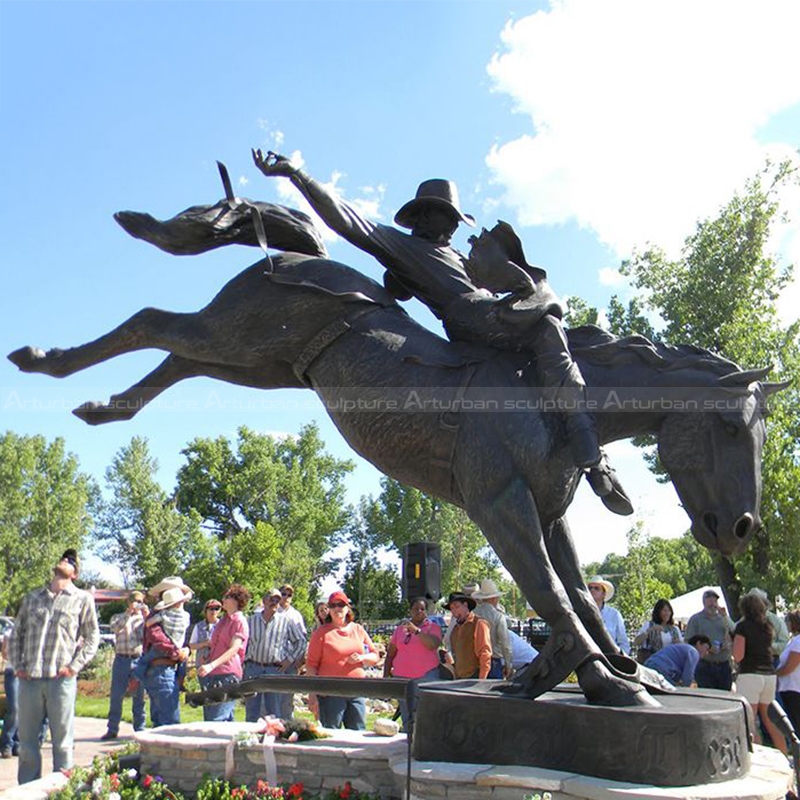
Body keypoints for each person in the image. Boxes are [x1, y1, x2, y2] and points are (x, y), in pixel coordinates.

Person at [251, 150, 631, 515]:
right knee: (547, 324)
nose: (452, 225)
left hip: (491, 316)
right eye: (446, 216)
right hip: (471, 317)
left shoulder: (457, 256)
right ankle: (589, 452)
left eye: (455, 218)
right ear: (424, 217)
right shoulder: (403, 245)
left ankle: (582, 445)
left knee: (565, 348)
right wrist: (296, 175)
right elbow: (346, 219)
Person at [8, 549, 99, 784]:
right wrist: (18, 666)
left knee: (62, 744)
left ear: (75, 573)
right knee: (27, 745)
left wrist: (73, 667)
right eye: (63, 558)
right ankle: (28, 790)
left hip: (61, 680)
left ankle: (62, 790)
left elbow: (92, 638)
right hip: (30, 680)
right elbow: (16, 635)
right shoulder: (32, 598)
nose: (64, 561)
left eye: (70, 562)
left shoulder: (82, 599)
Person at [305, 591, 379, 730]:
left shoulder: (358, 629)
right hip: (331, 692)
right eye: (333, 606)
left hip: (356, 690)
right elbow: (311, 665)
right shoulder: (321, 633)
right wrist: (312, 694)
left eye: (341, 605)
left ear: (347, 608)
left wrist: (362, 657)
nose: (337, 608)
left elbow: (375, 656)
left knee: (358, 733)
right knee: (332, 732)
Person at [733, 592, 787, 754]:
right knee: (770, 720)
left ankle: (754, 758)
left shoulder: (742, 627)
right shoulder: (767, 626)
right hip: (769, 675)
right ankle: (785, 757)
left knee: (750, 720)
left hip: (750, 674)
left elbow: (738, 655)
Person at [244, 588, 306, 721]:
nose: (275, 602)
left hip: (274, 669)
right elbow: (242, 643)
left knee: (274, 712)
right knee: (252, 711)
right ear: (264, 601)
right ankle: (250, 739)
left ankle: (273, 739)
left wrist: (289, 660)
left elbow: (300, 642)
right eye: (272, 599)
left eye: (278, 600)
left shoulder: (286, 621)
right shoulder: (250, 620)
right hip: (253, 668)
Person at [383, 597, 443, 731]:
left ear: (427, 612)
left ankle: (423, 745)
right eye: (415, 609)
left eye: (422, 609)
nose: (419, 612)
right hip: (402, 678)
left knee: (426, 713)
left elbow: (433, 644)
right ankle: (406, 744)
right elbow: (391, 653)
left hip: (426, 677)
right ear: (410, 611)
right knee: (406, 714)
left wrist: (417, 631)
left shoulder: (433, 628)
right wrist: (386, 674)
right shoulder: (400, 630)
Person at [137, 586, 191, 727]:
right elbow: (158, 638)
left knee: (161, 718)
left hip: (162, 667)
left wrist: (183, 651)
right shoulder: (179, 617)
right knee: (169, 720)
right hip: (163, 667)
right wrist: (177, 652)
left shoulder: (161, 616)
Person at [197, 584, 250, 722]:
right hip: (213, 675)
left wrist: (211, 665)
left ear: (237, 600)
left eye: (227, 597)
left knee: (215, 720)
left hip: (228, 675)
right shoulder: (222, 621)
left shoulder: (239, 621)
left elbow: (234, 649)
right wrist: (207, 659)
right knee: (220, 719)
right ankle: (235, 743)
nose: (223, 599)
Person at [101, 590, 148, 740]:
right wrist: (129, 614)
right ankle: (112, 728)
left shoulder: (144, 619)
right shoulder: (119, 617)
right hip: (121, 659)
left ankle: (139, 729)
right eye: (134, 601)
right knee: (116, 695)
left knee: (139, 696)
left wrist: (146, 615)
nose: (136, 604)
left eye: (139, 601)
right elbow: (115, 628)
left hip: (138, 659)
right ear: (128, 602)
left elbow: (148, 635)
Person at [685, 588, 735, 691]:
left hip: (724, 665)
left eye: (715, 601)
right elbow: (688, 642)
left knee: (725, 697)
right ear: (704, 602)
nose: (713, 604)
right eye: (710, 601)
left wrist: (729, 644)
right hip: (705, 665)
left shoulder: (723, 618)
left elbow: (735, 631)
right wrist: (705, 650)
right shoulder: (696, 619)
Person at [275, 583, 307, 720]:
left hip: (291, 663)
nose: (286, 597)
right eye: (284, 594)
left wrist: (300, 660)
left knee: (287, 699)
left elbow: (302, 639)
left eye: (289, 595)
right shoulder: (273, 611)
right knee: (271, 698)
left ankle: (287, 726)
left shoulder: (296, 615)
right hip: (275, 662)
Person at [444, 592, 492, 679]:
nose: (454, 611)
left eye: (457, 607)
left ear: (465, 605)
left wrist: (481, 681)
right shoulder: (455, 629)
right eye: (452, 608)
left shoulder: (479, 623)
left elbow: (485, 654)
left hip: (475, 677)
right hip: (460, 677)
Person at [188, 598, 222, 721]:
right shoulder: (199, 626)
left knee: (220, 695)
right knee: (206, 695)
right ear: (205, 610)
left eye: (216, 608)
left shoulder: (222, 624)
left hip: (218, 665)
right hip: (202, 664)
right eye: (211, 608)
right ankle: (208, 720)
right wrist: (204, 643)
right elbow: (192, 645)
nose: (213, 611)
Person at [471, 579, 513, 679]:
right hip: (493, 660)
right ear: (494, 598)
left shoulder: (472, 613)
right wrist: (509, 665)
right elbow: (505, 644)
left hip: (473, 660)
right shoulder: (498, 616)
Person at [644, 635, 711, 687]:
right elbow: (687, 677)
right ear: (698, 643)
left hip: (649, 664)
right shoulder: (693, 652)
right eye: (706, 648)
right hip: (662, 669)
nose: (707, 653)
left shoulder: (682, 647)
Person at [586, 576, 630, 655]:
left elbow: (624, 643)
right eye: (590, 588)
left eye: (596, 588)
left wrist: (621, 660)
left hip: (611, 659)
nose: (592, 590)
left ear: (603, 594)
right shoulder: (581, 613)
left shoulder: (614, 615)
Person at [632, 598, 683, 664]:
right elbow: (636, 642)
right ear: (658, 612)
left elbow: (682, 646)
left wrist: (678, 643)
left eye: (669, 611)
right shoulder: (648, 625)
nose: (667, 613)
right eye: (664, 610)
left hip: (670, 663)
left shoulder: (675, 629)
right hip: (651, 663)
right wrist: (650, 630)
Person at [748, 587, 790, 664]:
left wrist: (767, 646)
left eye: (756, 602)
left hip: (771, 661)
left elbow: (784, 644)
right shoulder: (745, 621)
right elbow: (735, 631)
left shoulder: (776, 621)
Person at [776, 610, 800, 736]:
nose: (786, 624)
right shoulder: (793, 641)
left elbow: (790, 667)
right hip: (788, 687)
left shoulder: (798, 642)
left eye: (788, 621)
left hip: (794, 688)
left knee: (796, 723)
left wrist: (774, 673)